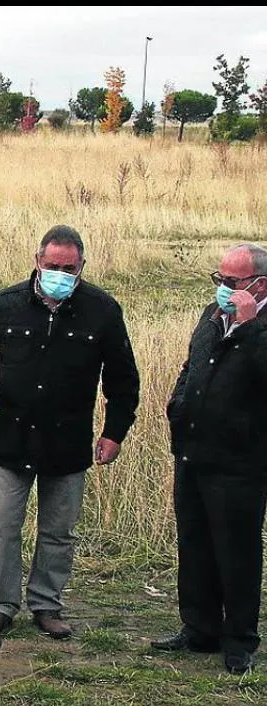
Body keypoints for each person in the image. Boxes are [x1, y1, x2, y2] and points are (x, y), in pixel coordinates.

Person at [0, 225, 140, 640]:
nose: (59, 273)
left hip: (67, 441)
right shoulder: (9, 303)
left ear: (81, 266)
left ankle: (47, 604)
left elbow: (124, 379)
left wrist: (114, 433)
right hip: (11, 437)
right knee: (2, 524)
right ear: (37, 261)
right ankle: (0, 603)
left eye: (68, 268)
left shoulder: (102, 310)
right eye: (52, 265)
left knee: (58, 530)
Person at [152, 243, 267, 676]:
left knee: (235, 550)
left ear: (261, 285)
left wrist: (251, 325)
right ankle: (198, 627)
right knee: (194, 542)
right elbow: (193, 363)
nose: (224, 289)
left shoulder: (260, 324)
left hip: (240, 460)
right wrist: (178, 402)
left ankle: (239, 639)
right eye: (219, 279)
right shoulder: (211, 315)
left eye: (234, 283)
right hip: (193, 449)